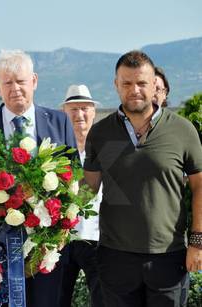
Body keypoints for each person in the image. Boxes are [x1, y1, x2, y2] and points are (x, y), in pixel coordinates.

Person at [83, 50, 202, 307]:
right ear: (116, 85)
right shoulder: (101, 133)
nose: (134, 89)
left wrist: (197, 242)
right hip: (114, 258)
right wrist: (46, 201)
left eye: (141, 83)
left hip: (169, 257)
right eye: (126, 83)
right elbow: (88, 188)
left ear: (153, 84)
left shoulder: (182, 130)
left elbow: (200, 187)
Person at [0, 49, 76, 307]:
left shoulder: (59, 121)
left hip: (46, 246)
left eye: (21, 81)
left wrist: (64, 228)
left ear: (34, 81)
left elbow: (74, 178)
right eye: (7, 82)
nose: (15, 88)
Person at [59, 85, 104, 307]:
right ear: (64, 112)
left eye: (84, 108)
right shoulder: (55, 151)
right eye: (73, 109)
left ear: (93, 112)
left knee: (103, 300)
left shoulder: (108, 148)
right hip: (60, 240)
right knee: (57, 300)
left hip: (96, 237)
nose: (79, 115)